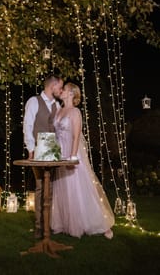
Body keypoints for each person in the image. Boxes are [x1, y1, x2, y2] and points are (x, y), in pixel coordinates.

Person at [51, 82, 114, 239]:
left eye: (64, 89)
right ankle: (66, 223)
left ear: (72, 93)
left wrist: (72, 157)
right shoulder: (59, 111)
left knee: (80, 187)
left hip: (72, 152)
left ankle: (100, 223)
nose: (62, 91)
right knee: (63, 186)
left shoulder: (75, 112)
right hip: (60, 153)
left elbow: (76, 135)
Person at [23, 74, 63, 238]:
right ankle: (39, 226)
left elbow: (60, 129)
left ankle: (49, 223)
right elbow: (28, 125)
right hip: (38, 150)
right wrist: (31, 149)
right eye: (59, 87)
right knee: (40, 186)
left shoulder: (58, 106)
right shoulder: (34, 101)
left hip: (53, 151)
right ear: (51, 86)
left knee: (51, 188)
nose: (60, 90)